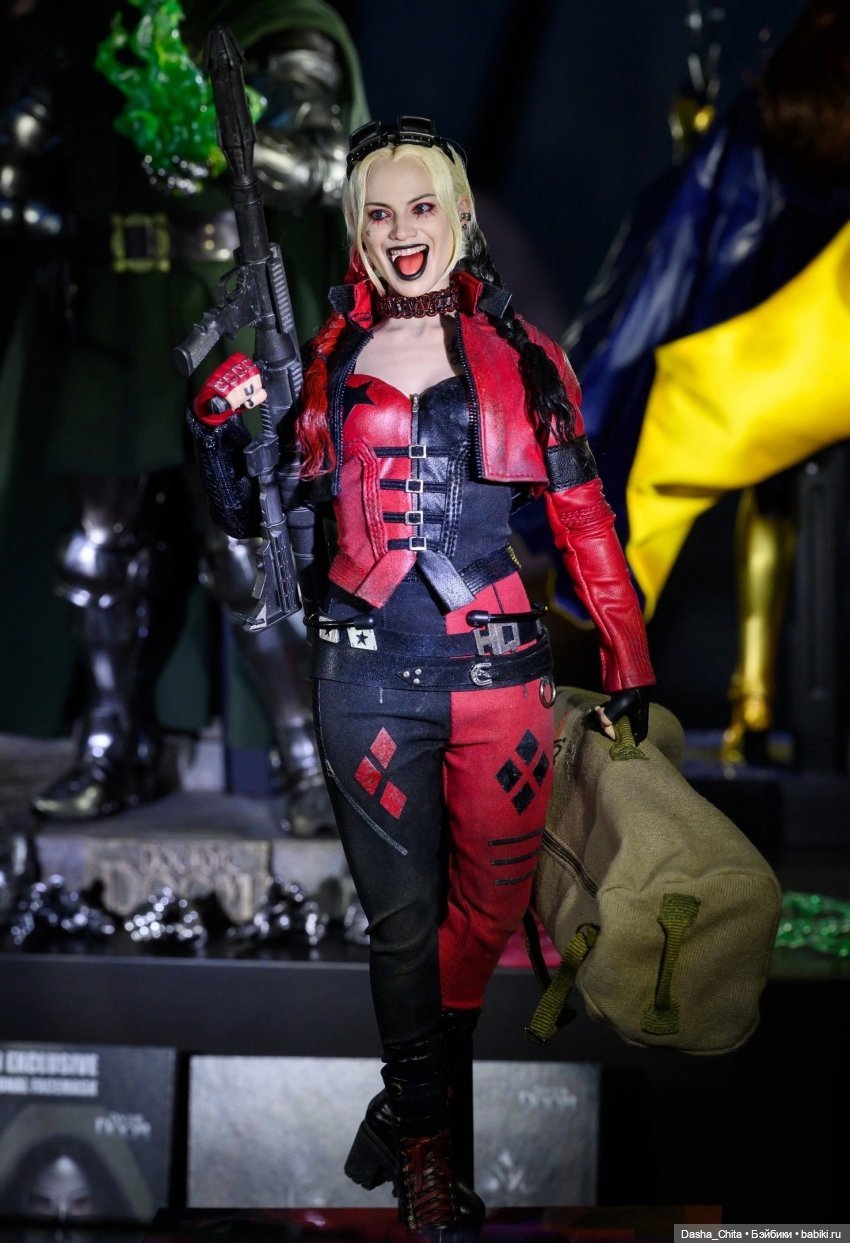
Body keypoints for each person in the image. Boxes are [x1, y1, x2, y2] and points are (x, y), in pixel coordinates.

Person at [188, 117, 654, 1237]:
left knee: (486, 914)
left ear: (459, 217)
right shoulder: (317, 368)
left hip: (502, 680)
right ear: (357, 229)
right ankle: (431, 1157)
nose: (403, 231)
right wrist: (214, 426)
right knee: (401, 925)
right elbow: (250, 515)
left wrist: (627, 655)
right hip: (366, 682)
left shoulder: (526, 359)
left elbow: (584, 517)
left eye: (422, 207)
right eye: (380, 212)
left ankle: (407, 1102)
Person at [0, 0, 367, 831]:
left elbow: (328, 168)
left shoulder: (274, 22)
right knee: (99, 549)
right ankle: (113, 745)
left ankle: (308, 755)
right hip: (115, 309)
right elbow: (16, 173)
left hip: (222, 299)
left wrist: (220, 139)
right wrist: (54, 220)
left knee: (249, 541)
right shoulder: (78, 35)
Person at [512, 0, 850, 766]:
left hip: (759, 350)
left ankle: (750, 703)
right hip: (751, 352)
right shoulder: (755, 142)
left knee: (746, 496)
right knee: (734, 496)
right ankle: (748, 703)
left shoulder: (757, 138)